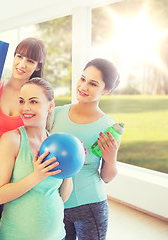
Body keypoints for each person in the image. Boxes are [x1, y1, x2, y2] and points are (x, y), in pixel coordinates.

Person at [0, 37, 46, 240]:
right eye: (19, 56)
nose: (22, 64)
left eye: (30, 61)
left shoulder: (36, 99)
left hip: (18, 178)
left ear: (37, 66)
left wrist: (2, 146)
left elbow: (39, 139)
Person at [50, 58, 121, 240]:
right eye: (82, 79)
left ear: (106, 91)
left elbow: (106, 177)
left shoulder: (108, 126)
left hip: (90, 206)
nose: (83, 86)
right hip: (56, 203)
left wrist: (111, 158)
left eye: (93, 83)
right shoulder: (56, 114)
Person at [0, 78, 73, 240]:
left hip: (57, 235)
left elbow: (61, 196)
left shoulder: (55, 143)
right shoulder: (12, 140)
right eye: (21, 101)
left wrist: (71, 165)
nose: (25, 107)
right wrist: (36, 176)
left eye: (33, 101)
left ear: (50, 106)